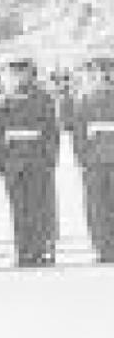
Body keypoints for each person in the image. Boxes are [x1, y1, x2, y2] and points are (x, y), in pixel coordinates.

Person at [0, 57, 60, 267]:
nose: (19, 77)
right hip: (14, 162)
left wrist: (50, 159)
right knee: (18, 209)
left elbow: (52, 132)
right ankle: (23, 251)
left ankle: (40, 250)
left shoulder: (43, 99)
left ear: (31, 74)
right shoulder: (2, 102)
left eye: (23, 72)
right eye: (15, 73)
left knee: (39, 207)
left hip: (37, 159)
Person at [71, 57, 114, 262]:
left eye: (108, 73)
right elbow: (79, 135)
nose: (105, 77)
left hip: (103, 158)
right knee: (97, 206)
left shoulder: (85, 99)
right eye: (100, 74)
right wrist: (83, 158)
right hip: (95, 160)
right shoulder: (85, 100)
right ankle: (103, 248)